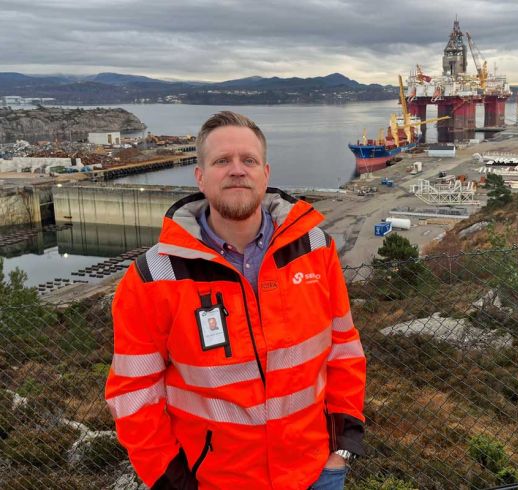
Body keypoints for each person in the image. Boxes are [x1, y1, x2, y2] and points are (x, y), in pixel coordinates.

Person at [105, 111, 366, 490]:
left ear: (266, 173)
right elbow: (134, 394)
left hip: (316, 474)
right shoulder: (153, 276)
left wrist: (341, 448)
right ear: (200, 176)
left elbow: (344, 351)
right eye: (222, 161)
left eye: (249, 160)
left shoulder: (315, 250)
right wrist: (173, 482)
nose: (237, 170)